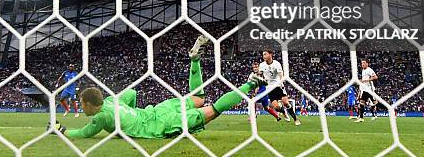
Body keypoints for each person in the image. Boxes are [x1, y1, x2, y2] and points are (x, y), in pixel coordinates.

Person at [50, 36, 267, 138]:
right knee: (199, 97)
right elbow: (132, 93)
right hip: (157, 111)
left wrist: (61, 130)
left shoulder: (101, 117)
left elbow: (84, 133)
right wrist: (135, 112)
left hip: (158, 125)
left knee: (212, 111)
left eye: (81, 104)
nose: (82, 107)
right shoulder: (113, 100)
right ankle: (194, 60)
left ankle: (250, 83)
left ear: (89, 104)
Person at [258, 49, 300, 125]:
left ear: (270, 55)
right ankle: (283, 112)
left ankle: (295, 119)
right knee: (277, 107)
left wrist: (281, 83)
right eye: (263, 54)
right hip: (269, 88)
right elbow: (260, 74)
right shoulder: (262, 65)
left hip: (278, 85)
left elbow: (281, 74)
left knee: (286, 103)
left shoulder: (276, 64)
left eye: (265, 54)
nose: (263, 56)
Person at [355, 58, 378, 123]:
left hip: (370, 90)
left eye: (364, 63)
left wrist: (366, 80)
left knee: (375, 103)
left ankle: (388, 110)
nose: (362, 64)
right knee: (361, 102)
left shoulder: (369, 70)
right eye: (362, 63)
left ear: (367, 63)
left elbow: (375, 77)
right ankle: (361, 118)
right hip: (365, 89)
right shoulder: (363, 70)